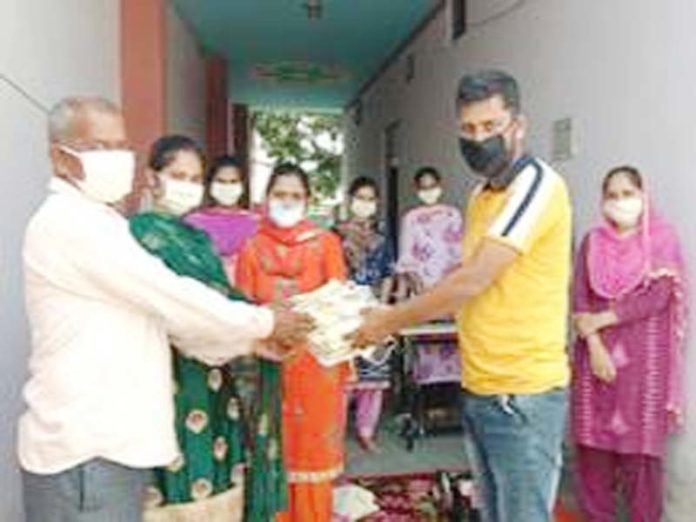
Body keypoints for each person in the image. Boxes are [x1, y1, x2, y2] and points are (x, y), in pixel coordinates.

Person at [19, 97, 311, 522]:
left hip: (115, 443)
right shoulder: (71, 225)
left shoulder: (104, 223)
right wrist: (265, 321)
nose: (115, 157)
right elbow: (172, 296)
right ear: (59, 157)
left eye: (120, 145)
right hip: (86, 449)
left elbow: (164, 320)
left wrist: (252, 341)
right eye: (99, 147)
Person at [353, 70, 572, 522]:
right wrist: (407, 303)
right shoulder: (478, 196)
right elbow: (462, 274)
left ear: (519, 125)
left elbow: (474, 279)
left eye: (491, 127)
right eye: (468, 129)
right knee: (489, 512)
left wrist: (386, 322)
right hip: (479, 386)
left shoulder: (537, 187)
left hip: (522, 394)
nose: (479, 139)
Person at [129, 135, 285, 521]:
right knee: (177, 473)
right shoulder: (139, 234)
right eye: (176, 174)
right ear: (152, 177)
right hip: (167, 375)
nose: (187, 184)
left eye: (195, 177)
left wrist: (259, 330)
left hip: (216, 372)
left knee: (218, 470)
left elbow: (222, 301)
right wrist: (259, 325)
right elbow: (188, 308)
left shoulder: (198, 239)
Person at [571, 166, 688, 522]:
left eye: (627, 193)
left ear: (643, 196)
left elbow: (658, 297)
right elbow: (580, 297)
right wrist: (593, 344)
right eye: (612, 195)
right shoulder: (593, 242)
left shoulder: (661, 241)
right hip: (594, 360)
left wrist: (602, 320)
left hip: (644, 366)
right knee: (593, 450)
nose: (620, 202)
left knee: (640, 457)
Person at [236, 163, 349, 522]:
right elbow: (242, 307)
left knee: (312, 453)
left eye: (295, 196)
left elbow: (341, 305)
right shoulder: (252, 246)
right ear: (266, 199)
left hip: (317, 368)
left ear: (309, 200)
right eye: (280, 194)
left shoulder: (327, 243)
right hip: (268, 365)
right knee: (272, 448)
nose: (287, 202)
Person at [334, 176, 394, 452]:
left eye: (371, 199)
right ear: (349, 199)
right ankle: (334, 433)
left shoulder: (382, 239)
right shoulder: (335, 235)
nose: (365, 204)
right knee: (344, 377)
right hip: (342, 312)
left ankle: (366, 430)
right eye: (360, 197)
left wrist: (382, 309)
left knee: (373, 378)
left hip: (373, 311)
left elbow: (387, 274)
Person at [185, 155, 259, 284]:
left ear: (242, 185)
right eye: (221, 181)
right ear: (210, 184)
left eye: (233, 181)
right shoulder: (193, 223)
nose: (227, 187)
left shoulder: (256, 224)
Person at [395, 166, 463, 292]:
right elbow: (406, 256)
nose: (429, 191)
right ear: (416, 189)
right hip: (422, 285)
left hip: (450, 284)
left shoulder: (453, 214)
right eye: (424, 188)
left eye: (432, 186)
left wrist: (454, 282)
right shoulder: (411, 218)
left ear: (440, 185)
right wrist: (418, 285)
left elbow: (459, 250)